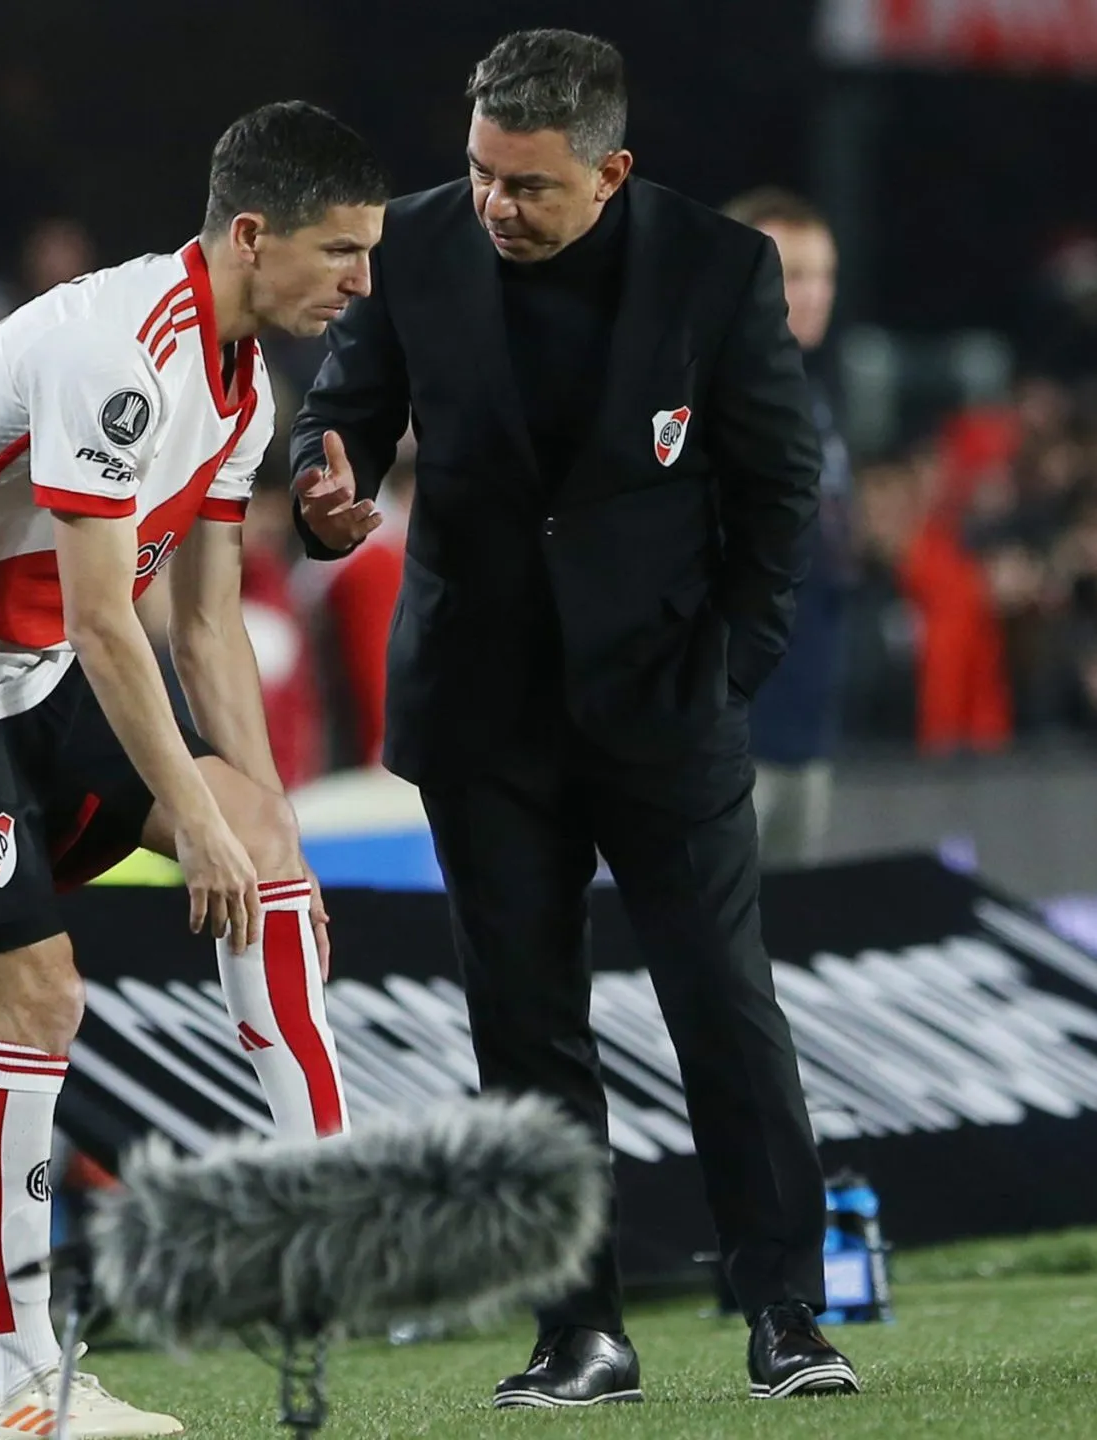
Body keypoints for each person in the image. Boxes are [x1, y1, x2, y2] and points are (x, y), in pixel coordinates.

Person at [0, 102, 385, 1440]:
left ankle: (318, 1211)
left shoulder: (245, 387)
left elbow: (208, 626)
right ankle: (25, 1393)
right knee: (39, 1000)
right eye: (342, 250)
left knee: (265, 823)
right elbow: (116, 619)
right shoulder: (119, 353)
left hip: (28, 659)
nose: (360, 280)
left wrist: (252, 822)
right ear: (253, 233)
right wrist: (196, 834)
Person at [291, 30, 855, 1409]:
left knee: (723, 1004)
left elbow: (780, 489)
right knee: (525, 1027)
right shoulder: (413, 246)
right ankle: (577, 1332)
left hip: (665, 702)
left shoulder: (719, 268)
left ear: (611, 170)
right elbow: (339, 415)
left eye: (529, 186)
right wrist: (332, 482)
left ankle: (786, 1311)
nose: (496, 206)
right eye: (482, 172)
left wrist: (727, 670)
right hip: (484, 708)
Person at [724, 188, 853, 865]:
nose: (815, 293)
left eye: (824, 274)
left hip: (802, 729)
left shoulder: (808, 395)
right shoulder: (702, 396)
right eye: (793, 274)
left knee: (782, 946)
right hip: (727, 741)